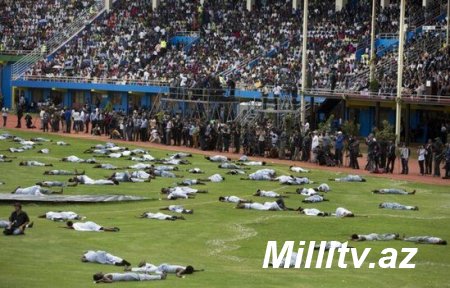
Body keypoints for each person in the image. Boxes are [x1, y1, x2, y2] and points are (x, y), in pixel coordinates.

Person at [93, 272, 166, 283]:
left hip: (126, 276)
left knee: (143, 276)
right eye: (98, 273)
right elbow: (110, 281)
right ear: (99, 276)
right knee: (143, 277)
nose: (100, 272)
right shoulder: (105, 276)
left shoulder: (105, 276)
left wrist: (100, 281)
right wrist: (102, 280)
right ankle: (160, 277)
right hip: (127, 276)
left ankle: (159, 276)